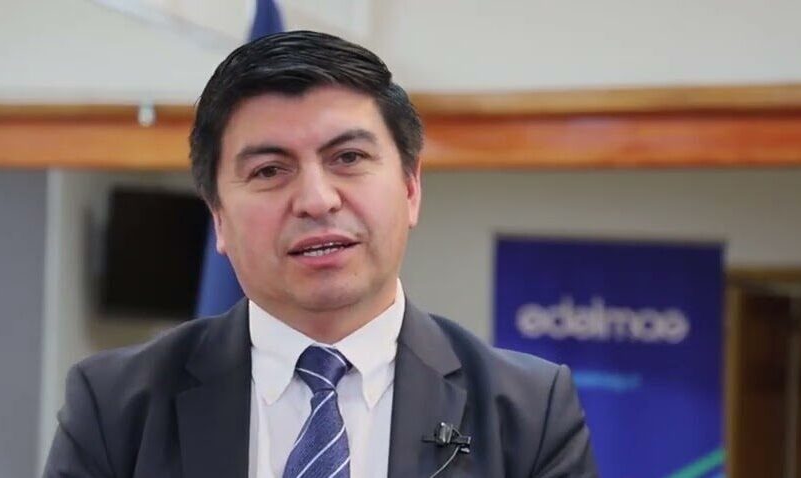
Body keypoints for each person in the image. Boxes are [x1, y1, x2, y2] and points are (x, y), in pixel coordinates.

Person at [43, 30, 597, 478]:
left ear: (410, 188)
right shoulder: (116, 405)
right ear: (219, 218)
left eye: (348, 157)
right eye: (269, 170)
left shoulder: (528, 410)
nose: (316, 199)